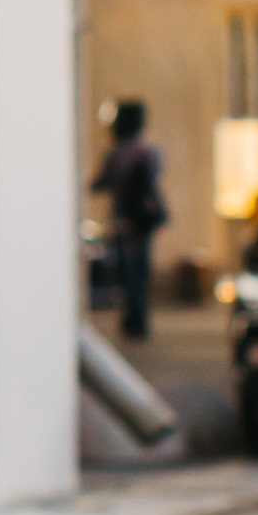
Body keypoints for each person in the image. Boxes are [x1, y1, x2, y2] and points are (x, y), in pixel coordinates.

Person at [92, 96, 168, 342]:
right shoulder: (147, 151)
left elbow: (101, 183)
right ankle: (138, 320)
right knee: (140, 271)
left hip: (124, 218)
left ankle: (132, 321)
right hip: (142, 220)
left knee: (129, 273)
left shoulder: (117, 153)